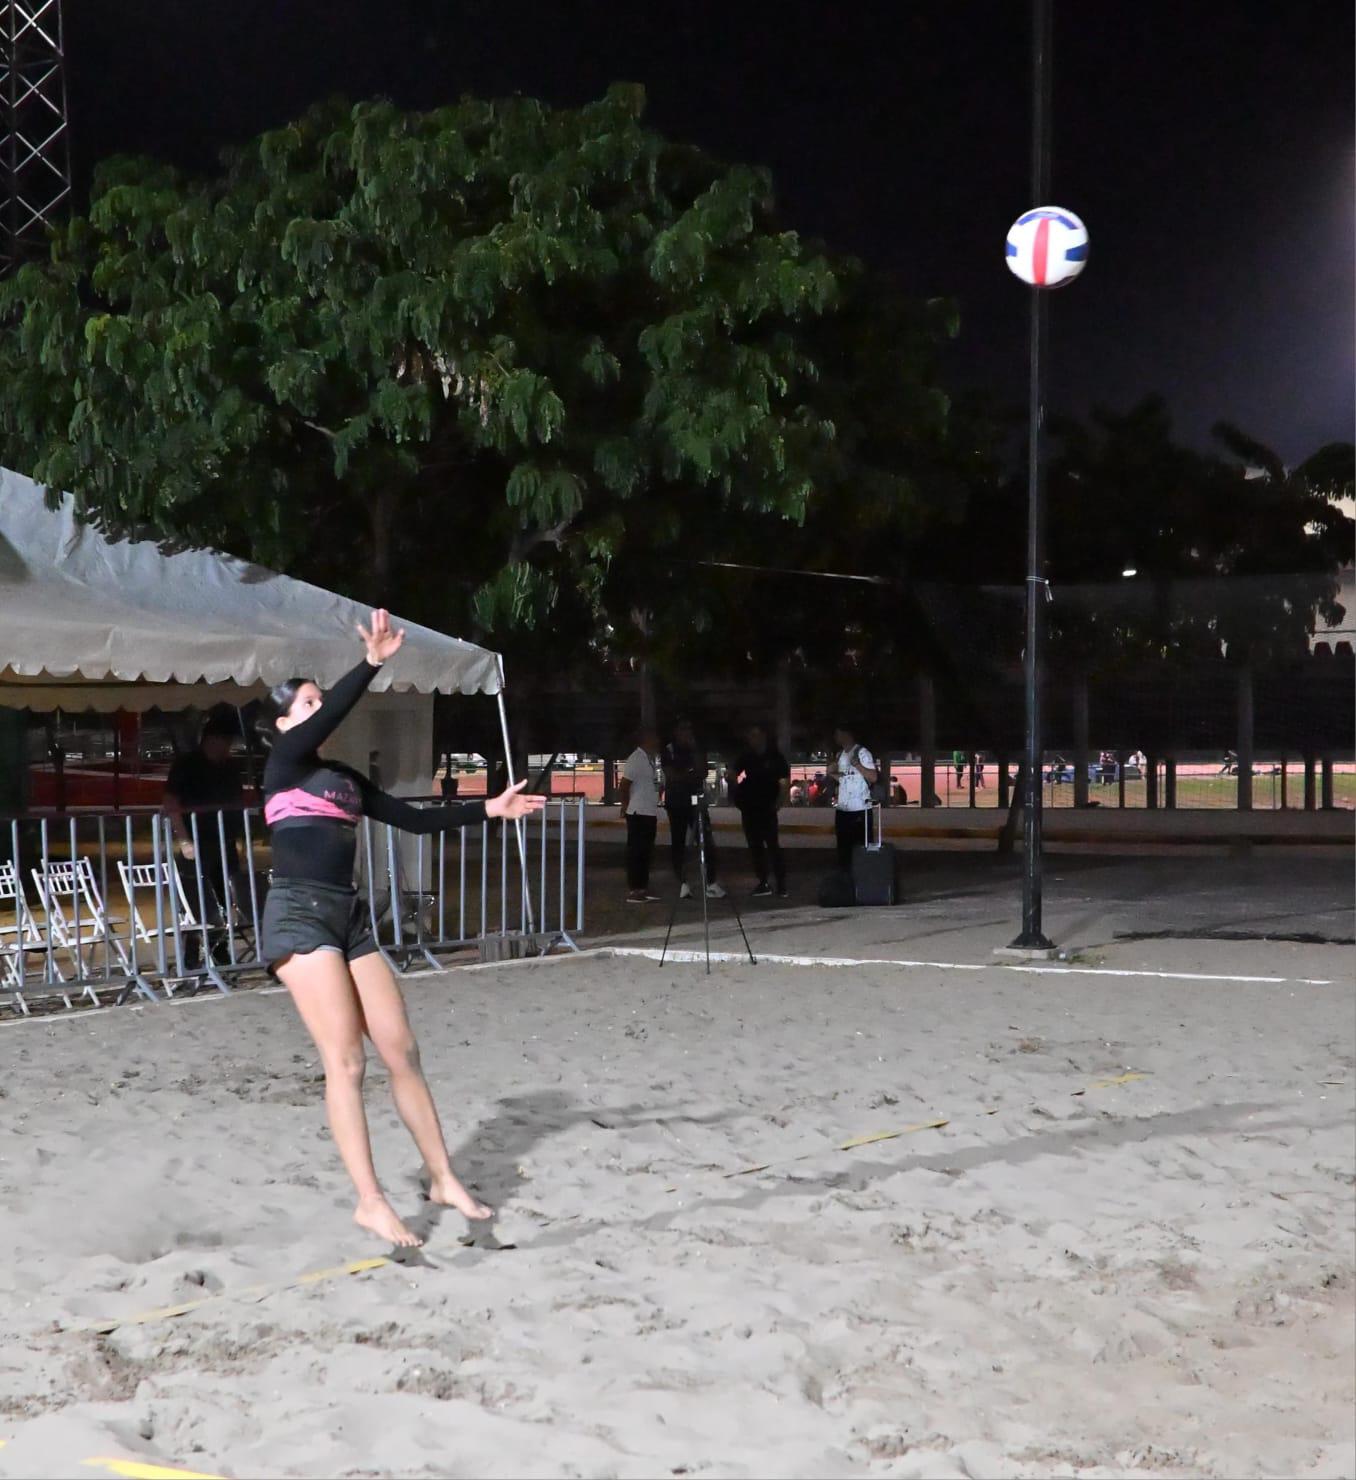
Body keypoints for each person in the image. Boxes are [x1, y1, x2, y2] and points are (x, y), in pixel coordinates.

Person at [261, 609, 544, 1249]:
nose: (317, 710)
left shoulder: (346, 780)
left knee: (402, 1050)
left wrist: (488, 808)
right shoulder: (284, 762)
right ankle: (370, 1201)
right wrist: (371, 664)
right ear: (282, 725)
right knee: (347, 1060)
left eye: (317, 701)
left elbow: (413, 820)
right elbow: (331, 715)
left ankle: (442, 1176)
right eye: (306, 704)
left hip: (347, 914)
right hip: (299, 913)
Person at [164, 709, 246, 967]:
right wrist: (184, 840)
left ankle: (219, 951)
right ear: (212, 740)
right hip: (197, 842)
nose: (229, 748)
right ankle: (190, 956)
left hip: (225, 842)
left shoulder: (230, 767)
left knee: (224, 899)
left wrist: (238, 839)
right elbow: (171, 802)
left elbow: (236, 802)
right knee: (194, 901)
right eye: (226, 742)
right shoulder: (187, 765)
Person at [661, 719, 725, 900]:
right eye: (683, 729)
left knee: (706, 839)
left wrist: (693, 761)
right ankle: (683, 883)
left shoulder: (696, 747)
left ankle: (711, 883)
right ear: (676, 731)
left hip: (696, 800)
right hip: (676, 801)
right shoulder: (669, 749)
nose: (686, 733)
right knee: (678, 842)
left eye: (689, 729)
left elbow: (703, 771)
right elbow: (671, 776)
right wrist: (690, 773)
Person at [729, 723, 791, 898]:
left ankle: (781, 883)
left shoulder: (775, 756)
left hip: (767, 807)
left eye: (756, 735)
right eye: (750, 735)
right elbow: (733, 771)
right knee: (755, 846)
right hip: (749, 807)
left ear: (764, 736)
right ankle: (763, 881)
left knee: (772, 845)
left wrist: (779, 802)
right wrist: (736, 788)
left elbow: (784, 781)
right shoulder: (746, 756)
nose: (752, 739)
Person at [618, 727, 662, 903]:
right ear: (645, 739)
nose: (657, 741)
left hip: (648, 811)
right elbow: (624, 785)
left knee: (645, 851)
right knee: (637, 851)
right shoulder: (636, 759)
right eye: (654, 737)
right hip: (638, 812)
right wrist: (626, 805)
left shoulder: (648, 759)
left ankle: (642, 887)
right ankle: (635, 889)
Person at [831, 725, 878, 871]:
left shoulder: (862, 753)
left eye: (838, 734)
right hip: (843, 809)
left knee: (861, 851)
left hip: (860, 810)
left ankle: (863, 883)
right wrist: (831, 773)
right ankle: (847, 884)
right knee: (843, 853)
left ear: (847, 734)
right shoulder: (840, 755)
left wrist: (857, 764)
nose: (836, 737)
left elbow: (873, 777)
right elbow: (844, 779)